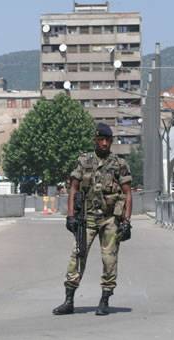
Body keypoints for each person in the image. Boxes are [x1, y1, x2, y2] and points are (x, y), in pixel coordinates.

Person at [53, 122, 132, 316]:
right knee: (77, 256)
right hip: (86, 218)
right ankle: (69, 300)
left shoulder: (119, 164)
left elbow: (128, 194)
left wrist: (127, 221)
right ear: (95, 141)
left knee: (109, 259)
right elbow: (73, 189)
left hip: (109, 219)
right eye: (101, 140)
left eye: (108, 140)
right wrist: (70, 216)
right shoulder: (84, 161)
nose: (104, 144)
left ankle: (105, 299)